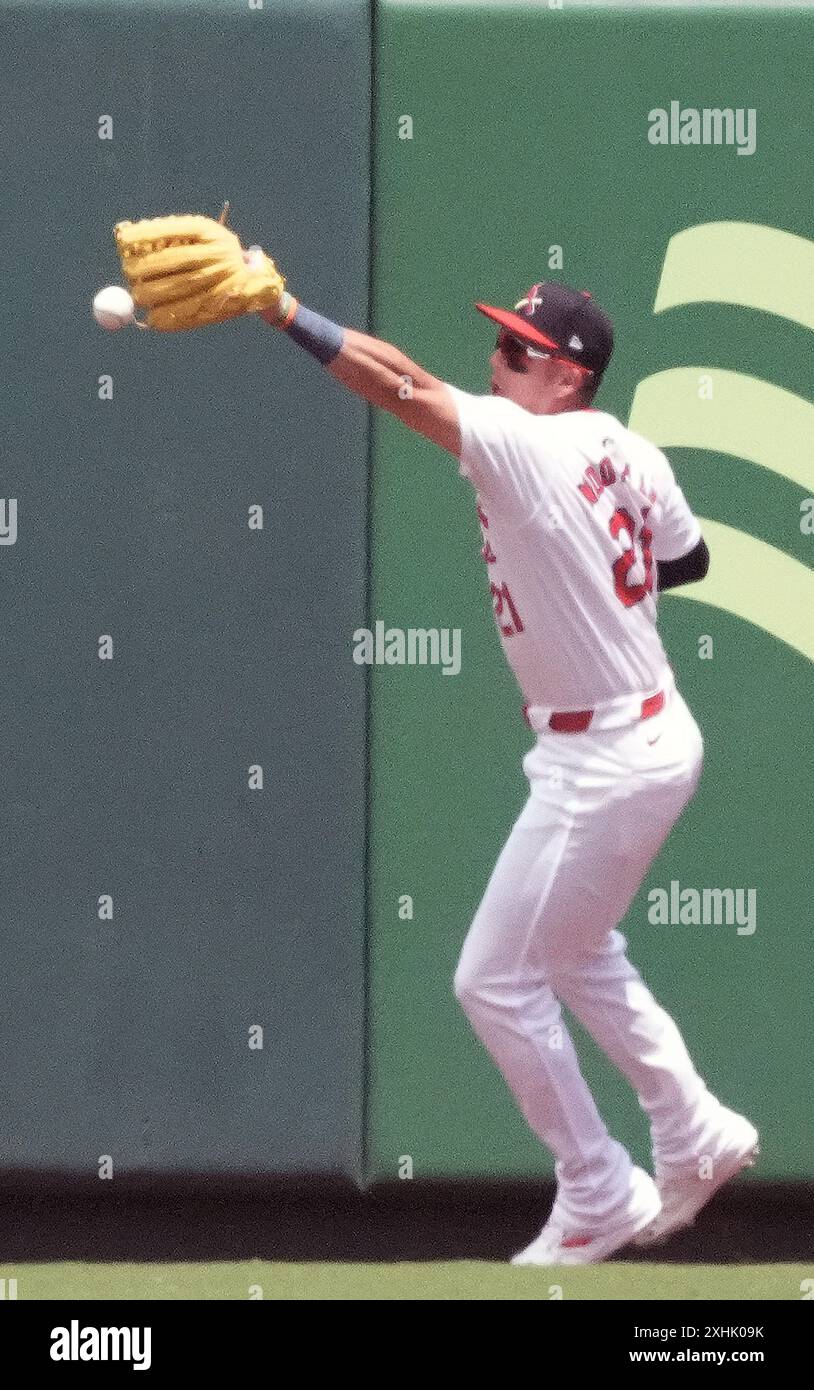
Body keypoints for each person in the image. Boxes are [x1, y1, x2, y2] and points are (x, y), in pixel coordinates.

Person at [260, 277, 758, 1267]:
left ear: (567, 376)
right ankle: (693, 1127)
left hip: (603, 756)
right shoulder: (630, 448)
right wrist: (589, 574)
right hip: (650, 733)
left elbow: (403, 388)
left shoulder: (524, 446)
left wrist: (286, 313)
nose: (495, 361)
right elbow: (687, 560)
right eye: (501, 344)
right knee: (575, 951)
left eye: (518, 352)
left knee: (493, 981)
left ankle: (596, 1185)